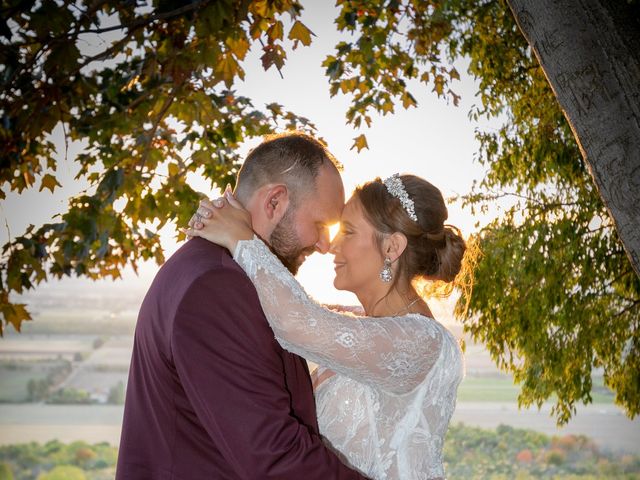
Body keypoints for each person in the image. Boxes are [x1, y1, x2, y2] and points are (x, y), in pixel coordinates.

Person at [116, 132, 368, 479]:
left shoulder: (216, 270)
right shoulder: (216, 287)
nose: (325, 245)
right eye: (321, 225)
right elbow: (275, 455)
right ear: (275, 202)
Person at [186, 173, 467, 479]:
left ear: (391, 247)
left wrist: (240, 238)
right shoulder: (368, 325)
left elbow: (296, 322)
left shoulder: (423, 342)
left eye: (347, 231)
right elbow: (288, 310)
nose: (331, 245)